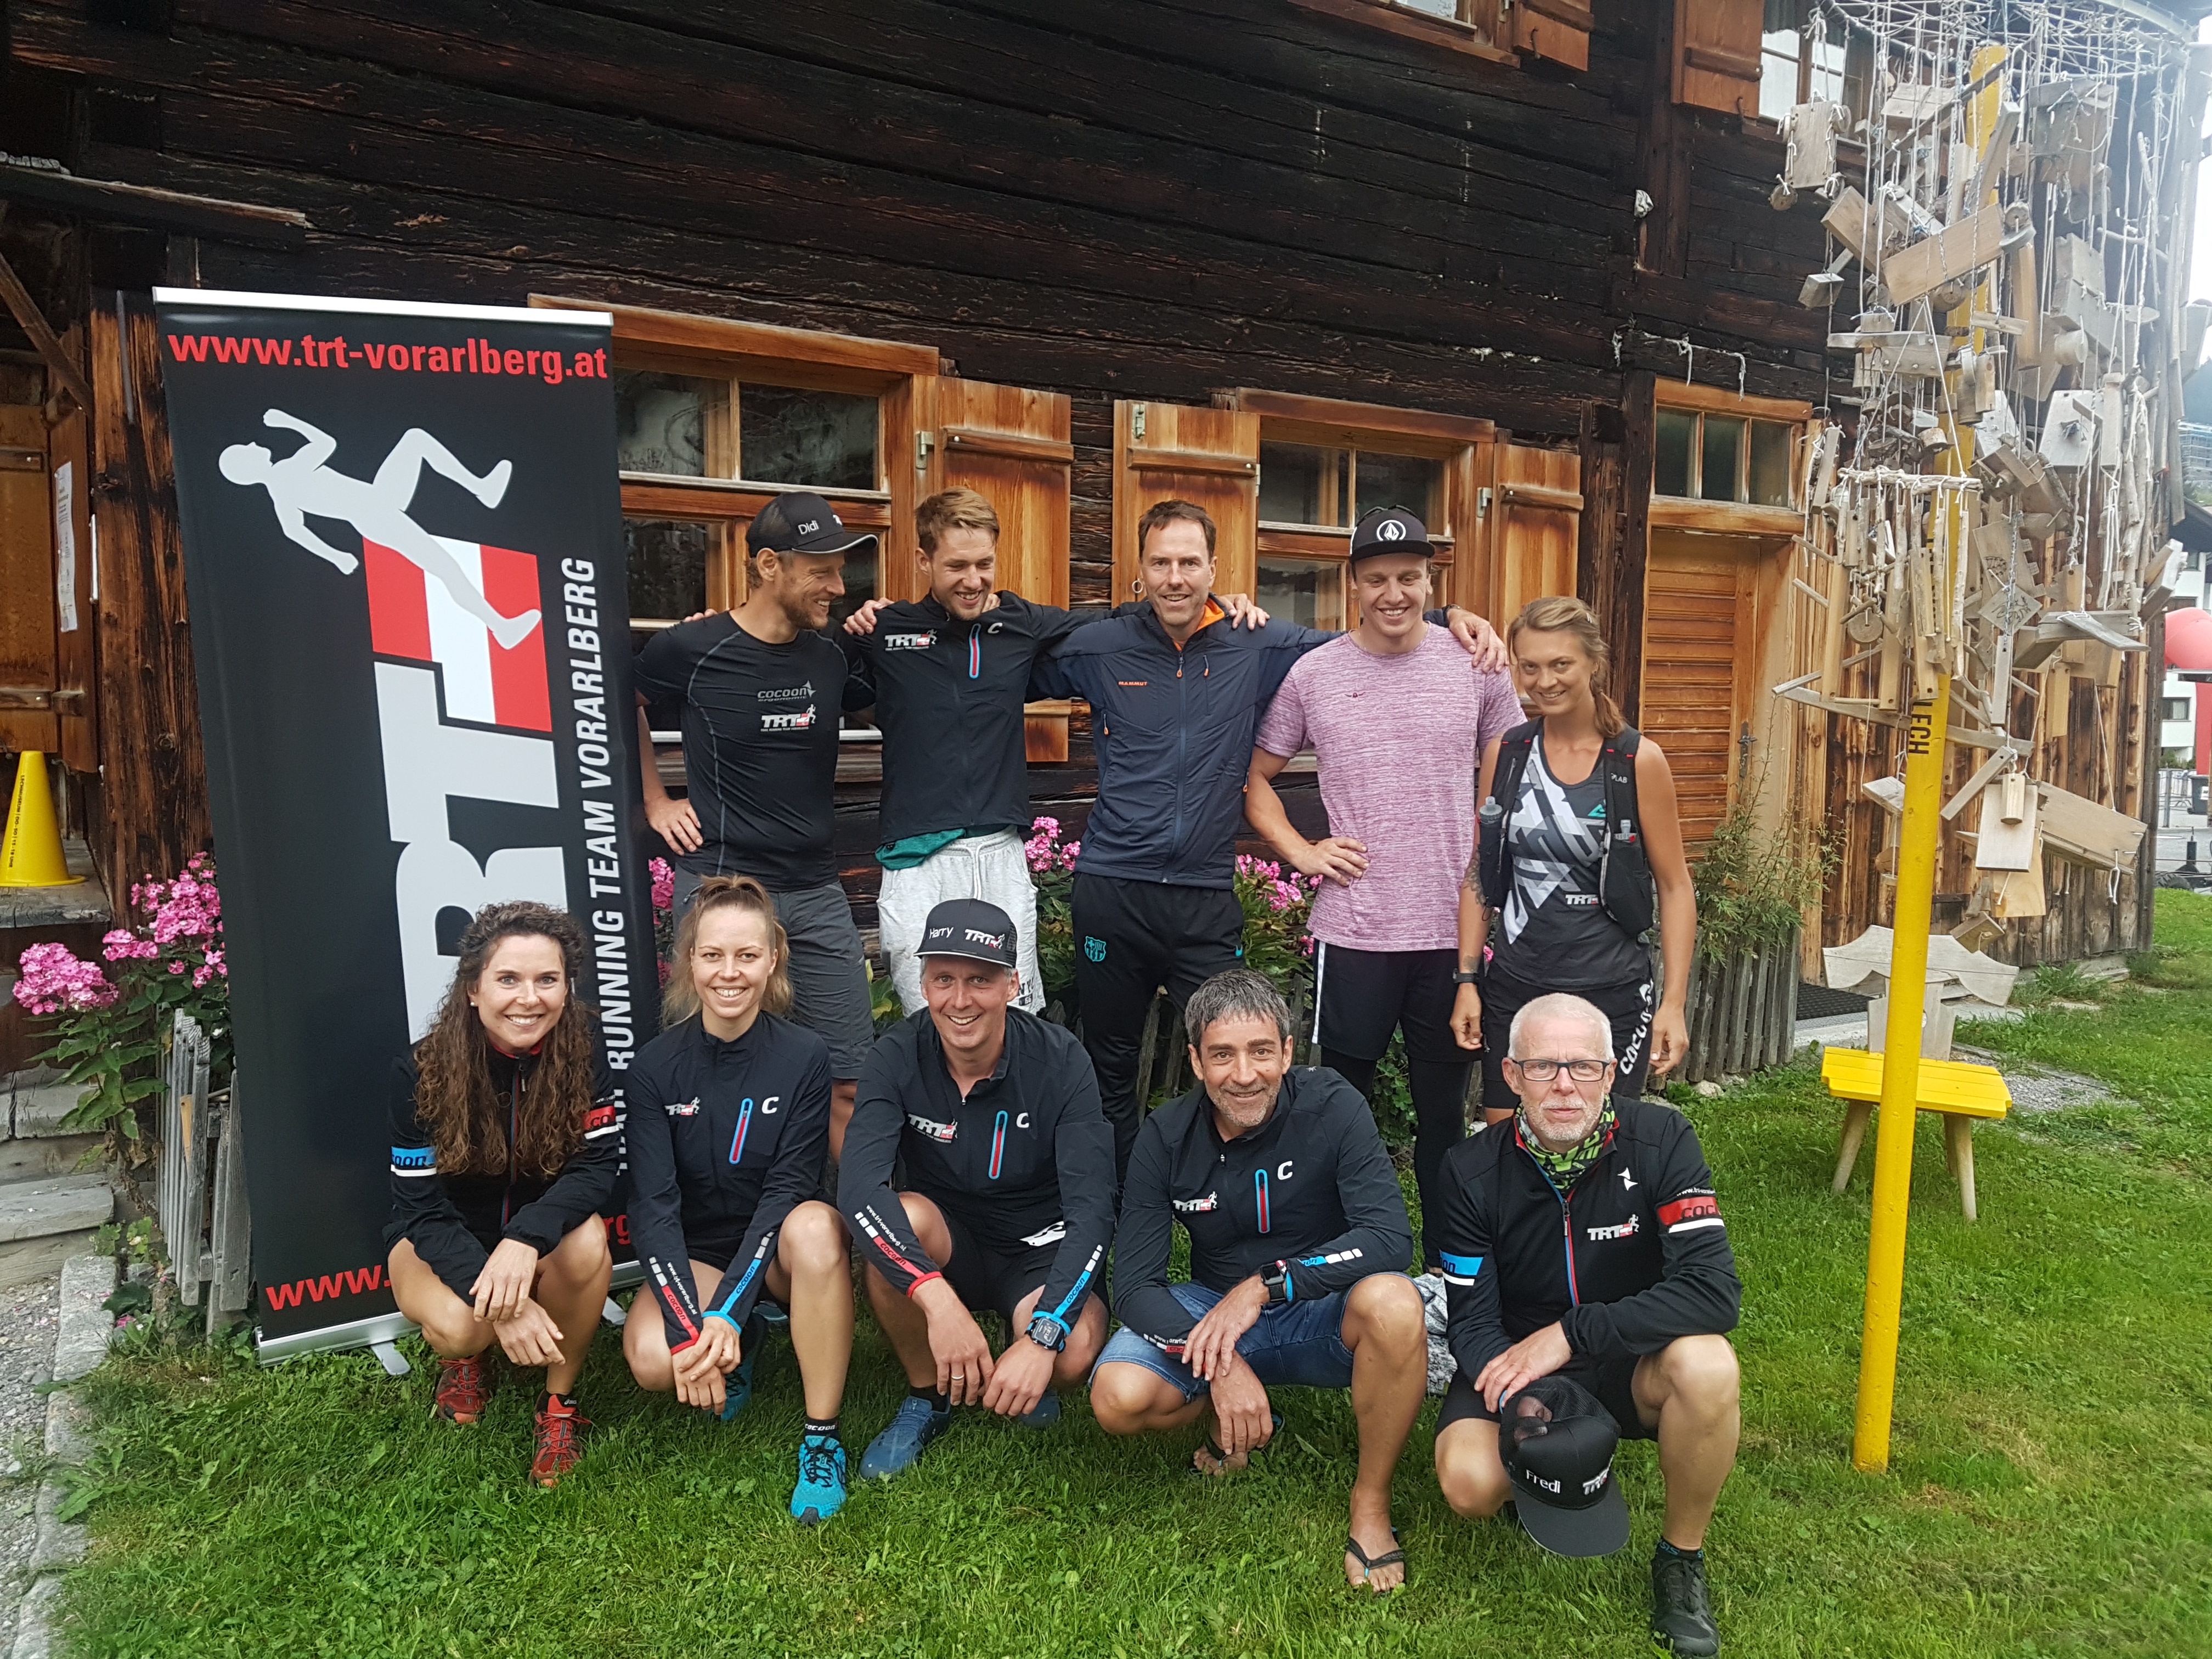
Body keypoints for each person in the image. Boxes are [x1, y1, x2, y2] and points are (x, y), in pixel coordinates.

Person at [1031, 499, 1505, 1175]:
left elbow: (1365, 636)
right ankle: (1119, 1211)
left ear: (1213, 569)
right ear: (1140, 569)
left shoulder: (1259, 641)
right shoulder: (1101, 645)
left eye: (1189, 562)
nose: (1175, 577)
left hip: (1204, 896)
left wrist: (1449, 617)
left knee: (1239, 1057)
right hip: (1112, 889)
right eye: (1161, 563)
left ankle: (1229, 1199)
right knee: (1110, 1064)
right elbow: (1007, 663)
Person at [840, 488, 1268, 1019]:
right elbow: (831, 684)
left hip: (1000, 851)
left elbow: (1130, 619)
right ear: (924, 561)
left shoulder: (1024, 623)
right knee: (928, 1016)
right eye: (956, 566)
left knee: (1014, 1016)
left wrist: (1218, 606)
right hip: (917, 856)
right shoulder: (885, 631)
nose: (973, 580)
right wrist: (853, 624)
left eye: (984, 564)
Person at [1245, 505, 1524, 1270]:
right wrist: (1302, 852)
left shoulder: (1474, 664)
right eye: (1377, 579)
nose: (1393, 593)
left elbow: (1503, 782)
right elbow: (1257, 780)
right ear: (1354, 585)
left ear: (1430, 581)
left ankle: (1449, 1269)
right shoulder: (1315, 675)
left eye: (1409, 577)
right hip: (1356, 929)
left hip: (1449, 929)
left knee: (1444, 1117)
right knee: (1340, 1112)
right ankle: (1341, 1263)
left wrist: (1484, 869)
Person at [1091, 970, 1428, 1594]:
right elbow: (1135, 1285)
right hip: (1216, 1311)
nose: (1244, 1075)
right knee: (1118, 1395)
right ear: (1196, 1061)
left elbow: (1388, 1238)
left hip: (1323, 1307)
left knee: (1397, 1302)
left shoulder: (1334, 1105)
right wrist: (1221, 1363)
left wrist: (1265, 1285)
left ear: (1288, 1053)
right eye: (1222, 1055)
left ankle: (1371, 1503)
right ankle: (1235, 1416)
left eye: (1261, 1051)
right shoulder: (1165, 1135)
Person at [1431, 993, 1741, 1656]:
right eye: (1543, 1067)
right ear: (1512, 1076)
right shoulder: (1468, 1170)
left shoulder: (1663, 1140)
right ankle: (1551, 1473)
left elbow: (1714, 1292)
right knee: (1467, 1484)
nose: (1565, 1085)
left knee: (1710, 1365)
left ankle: (1680, 1559)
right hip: (1516, 1357)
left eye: (1583, 1067)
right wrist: (1528, 1397)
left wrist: (1573, 1334)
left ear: (1611, 1073)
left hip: (1630, 1359)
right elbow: (1472, 1321)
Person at [634, 492, 880, 1152]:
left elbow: (894, 693)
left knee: (850, 1082)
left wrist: (879, 627)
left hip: (817, 892)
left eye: (841, 572)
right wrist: (655, 800)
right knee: (706, 1080)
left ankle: (851, 1217)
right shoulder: (690, 647)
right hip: (722, 888)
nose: (838, 588)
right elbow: (622, 698)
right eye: (821, 572)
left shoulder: (831, 655)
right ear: (769, 565)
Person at [838, 898, 1114, 1481]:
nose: (960, 1001)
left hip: (1038, 1245)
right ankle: (927, 1396)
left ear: (1013, 984)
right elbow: (859, 1189)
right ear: (924, 984)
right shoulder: (895, 1054)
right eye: (944, 979)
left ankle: (1028, 1360)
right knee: (896, 1223)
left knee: (1072, 1354)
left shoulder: (1062, 1060)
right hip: (948, 1241)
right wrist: (938, 1302)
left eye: (980, 981)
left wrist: (1042, 1338)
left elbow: (1094, 1212)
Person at [621, 876, 856, 1525]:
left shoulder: (805, 1055)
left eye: (747, 956)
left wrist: (724, 1307)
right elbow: (653, 1207)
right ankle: (743, 1339)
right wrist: (687, 1325)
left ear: (773, 959)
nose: (730, 974)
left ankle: (822, 1439)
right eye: (713, 955)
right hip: (699, 1253)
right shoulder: (653, 1068)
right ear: (688, 961)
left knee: (815, 1226)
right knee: (653, 1362)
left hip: (780, 1248)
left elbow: (788, 1189)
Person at [385, 901, 619, 1488]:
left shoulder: (585, 1049)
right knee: (466, 1327)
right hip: (446, 1234)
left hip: (537, 1238)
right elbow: (420, 1206)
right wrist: (502, 1304)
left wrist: (524, 1240)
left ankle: (558, 1405)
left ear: (567, 988)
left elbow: (597, 1167)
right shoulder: (420, 1069)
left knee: (589, 1242)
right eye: (508, 979)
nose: (529, 999)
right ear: (473, 989)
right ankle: (467, 1358)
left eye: (548, 980)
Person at [1454, 595, 1695, 1124]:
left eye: (1561, 664)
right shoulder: (1505, 754)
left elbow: (1676, 886)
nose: (1545, 682)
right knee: (1508, 1142)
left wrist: (1673, 1004)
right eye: (1530, 667)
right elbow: (1479, 872)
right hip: (1516, 983)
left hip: (1610, 989)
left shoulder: (1635, 761)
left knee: (1601, 1143)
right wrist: (1467, 980)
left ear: (1593, 662)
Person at [219, 409, 538, 647]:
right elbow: (326, 443)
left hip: (377, 505)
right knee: (446, 568)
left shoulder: (279, 492)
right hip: (376, 514)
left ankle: (482, 489)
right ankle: (501, 627)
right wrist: (287, 421)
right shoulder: (286, 473)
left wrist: (336, 556)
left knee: (415, 440)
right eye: (247, 449)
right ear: (250, 465)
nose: (253, 443)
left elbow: (294, 530)